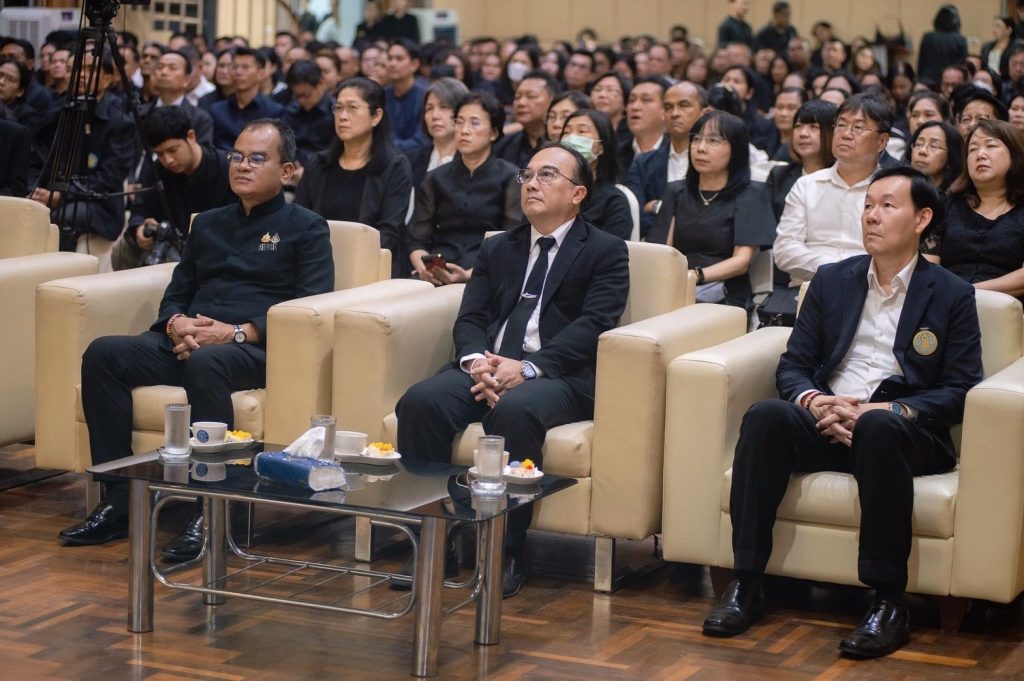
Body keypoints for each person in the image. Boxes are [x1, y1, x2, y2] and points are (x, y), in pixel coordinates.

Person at [702, 165, 983, 660]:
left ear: (921, 219)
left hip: (903, 432)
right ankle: (747, 581)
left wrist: (884, 408)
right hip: (828, 418)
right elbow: (794, 364)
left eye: (887, 206)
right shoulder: (832, 280)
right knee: (766, 416)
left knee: (877, 425)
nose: (871, 215)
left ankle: (888, 602)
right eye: (868, 205)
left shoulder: (952, 293)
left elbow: (959, 389)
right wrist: (817, 401)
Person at [58, 119, 334, 552]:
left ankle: (213, 508)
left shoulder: (307, 227)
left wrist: (236, 333)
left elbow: (311, 305)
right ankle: (119, 500)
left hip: (254, 349)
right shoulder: (207, 223)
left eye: (257, 158)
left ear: (286, 171)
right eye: (237, 156)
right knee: (104, 353)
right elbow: (177, 293)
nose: (243, 165)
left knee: (208, 362)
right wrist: (176, 325)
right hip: (193, 343)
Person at [395, 143, 629, 598]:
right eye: (527, 175)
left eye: (547, 175)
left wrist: (528, 367)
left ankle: (504, 549)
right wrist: (476, 362)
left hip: (558, 375)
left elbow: (595, 325)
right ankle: (435, 539)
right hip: (487, 365)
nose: (531, 184)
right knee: (420, 402)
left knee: (515, 410)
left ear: (578, 193)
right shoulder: (499, 246)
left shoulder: (605, 250)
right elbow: (471, 317)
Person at [648, 111, 774, 308]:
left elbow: (741, 262)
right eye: (696, 139)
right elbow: (663, 252)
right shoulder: (676, 191)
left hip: (724, 294)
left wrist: (696, 275)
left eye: (713, 141)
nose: (701, 148)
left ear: (736, 149)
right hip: (675, 287)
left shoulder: (751, 194)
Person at [294, 77, 412, 277]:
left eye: (352, 108)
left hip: (371, 272)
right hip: (317, 267)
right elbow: (300, 221)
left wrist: (350, 267)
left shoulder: (395, 167)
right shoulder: (317, 164)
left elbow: (389, 233)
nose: (342, 116)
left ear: (376, 116)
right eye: (338, 108)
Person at [774, 94, 893, 287]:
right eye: (841, 125)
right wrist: (836, 269)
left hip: (870, 289)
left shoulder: (892, 191)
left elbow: (895, 253)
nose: (846, 134)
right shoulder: (806, 185)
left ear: (881, 142)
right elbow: (784, 251)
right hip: (809, 288)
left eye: (858, 128)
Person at [30, 49, 134, 264]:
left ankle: (59, 275)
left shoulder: (120, 122)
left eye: (89, 69)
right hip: (55, 194)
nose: (80, 74)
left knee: (60, 217)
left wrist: (62, 195)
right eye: (73, 69)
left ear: (107, 79)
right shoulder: (57, 113)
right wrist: (36, 189)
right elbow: (37, 159)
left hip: (99, 205)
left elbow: (108, 178)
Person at [408, 91, 522, 284]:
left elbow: (513, 239)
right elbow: (417, 239)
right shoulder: (435, 178)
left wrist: (470, 274)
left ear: (493, 133)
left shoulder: (511, 177)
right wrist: (423, 267)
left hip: (488, 271)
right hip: (438, 269)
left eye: (474, 123)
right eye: (459, 122)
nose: (464, 130)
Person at [115, 105, 234, 270]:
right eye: (160, 154)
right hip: (171, 251)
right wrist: (140, 227)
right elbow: (140, 209)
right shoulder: (158, 170)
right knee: (123, 249)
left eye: (173, 150)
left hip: (219, 250)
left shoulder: (226, 168)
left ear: (191, 136)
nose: (168, 160)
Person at [923, 119, 1024, 301]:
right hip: (946, 303)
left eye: (990, 146)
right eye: (973, 149)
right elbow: (928, 265)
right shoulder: (945, 204)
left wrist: (968, 291)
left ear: (1015, 154)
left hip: (1006, 308)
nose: (980, 154)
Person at [626, 80, 708, 238]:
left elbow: (713, 215)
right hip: (654, 246)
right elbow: (636, 217)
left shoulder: (714, 160)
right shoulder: (643, 162)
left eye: (684, 105)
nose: (674, 113)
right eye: (668, 107)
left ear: (704, 113)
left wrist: (657, 207)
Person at [559, 109, 632, 239]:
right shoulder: (547, 190)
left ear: (601, 146)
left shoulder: (614, 201)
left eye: (582, 131)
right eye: (566, 132)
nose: (571, 138)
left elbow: (613, 249)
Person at [766, 99, 837, 221]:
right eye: (798, 126)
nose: (803, 134)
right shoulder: (779, 175)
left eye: (813, 127)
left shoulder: (843, 176)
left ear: (833, 133)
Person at [209, 47, 284, 152]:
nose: (238, 72)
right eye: (234, 67)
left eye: (245, 67)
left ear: (261, 73)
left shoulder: (274, 111)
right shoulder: (217, 110)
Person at [408, 77, 469, 186]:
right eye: (429, 108)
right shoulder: (411, 161)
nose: (435, 116)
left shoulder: (473, 162)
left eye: (444, 107)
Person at [493, 70, 557, 169]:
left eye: (531, 96)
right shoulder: (503, 145)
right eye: (517, 97)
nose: (521, 103)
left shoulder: (563, 143)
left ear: (553, 101)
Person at [280, 60, 336, 168]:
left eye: (306, 95)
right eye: (297, 96)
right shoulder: (290, 111)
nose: (301, 101)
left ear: (321, 83)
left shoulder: (335, 112)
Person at [384, 38, 430, 155]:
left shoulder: (426, 95)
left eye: (399, 59)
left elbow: (423, 140)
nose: (392, 64)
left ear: (415, 64)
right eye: (389, 58)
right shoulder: (382, 95)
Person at [618, 75, 669, 177]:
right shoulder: (615, 153)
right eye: (631, 100)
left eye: (646, 100)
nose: (635, 107)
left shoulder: (674, 153)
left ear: (665, 109)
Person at [905, 120, 963, 191]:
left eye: (934, 146)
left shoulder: (957, 196)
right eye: (919, 144)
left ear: (951, 156)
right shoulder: (898, 189)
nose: (922, 151)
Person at [918, 5, 968, 84]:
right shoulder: (960, 40)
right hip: (950, 80)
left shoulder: (928, 37)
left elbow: (921, 62)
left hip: (928, 80)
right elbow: (962, 65)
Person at [770, 86, 806, 161]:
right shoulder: (760, 142)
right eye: (779, 107)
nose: (783, 113)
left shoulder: (807, 149)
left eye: (791, 108)